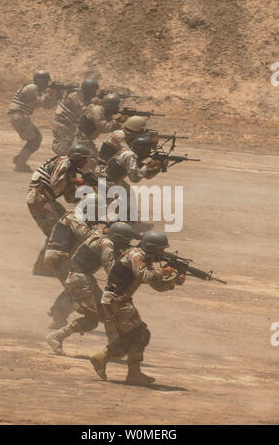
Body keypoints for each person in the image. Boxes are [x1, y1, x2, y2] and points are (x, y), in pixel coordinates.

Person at [90, 231, 185, 386]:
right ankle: (117, 365)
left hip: (118, 300)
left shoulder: (143, 259)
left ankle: (107, 360)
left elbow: (157, 286)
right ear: (151, 247)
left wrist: (174, 281)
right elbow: (145, 276)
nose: (163, 253)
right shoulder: (136, 255)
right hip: (117, 300)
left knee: (134, 336)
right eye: (161, 249)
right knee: (140, 334)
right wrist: (165, 271)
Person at [46, 222, 140, 354]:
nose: (128, 242)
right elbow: (111, 268)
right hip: (80, 279)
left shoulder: (101, 237)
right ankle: (56, 336)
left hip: (83, 278)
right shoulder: (107, 244)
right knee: (91, 320)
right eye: (127, 240)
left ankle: (114, 347)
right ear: (119, 239)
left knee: (107, 313)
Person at [26, 144, 92, 275]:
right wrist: (76, 181)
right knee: (57, 232)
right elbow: (56, 185)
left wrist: (88, 192)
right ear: (76, 157)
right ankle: (43, 268)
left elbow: (70, 198)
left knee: (65, 228)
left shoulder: (70, 169)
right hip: (40, 199)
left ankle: (47, 266)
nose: (86, 162)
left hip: (46, 200)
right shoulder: (64, 163)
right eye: (84, 158)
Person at [8, 71, 59, 172]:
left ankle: (19, 160)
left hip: (19, 116)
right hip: (19, 116)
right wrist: (51, 93)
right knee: (35, 140)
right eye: (46, 82)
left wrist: (54, 96)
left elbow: (48, 106)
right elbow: (43, 103)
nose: (46, 84)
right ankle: (20, 163)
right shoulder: (33, 88)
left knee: (36, 138)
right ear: (40, 81)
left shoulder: (32, 87)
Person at [52, 78, 100, 156]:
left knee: (67, 149)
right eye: (93, 91)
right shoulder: (75, 96)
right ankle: (53, 166)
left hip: (67, 124)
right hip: (62, 124)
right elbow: (84, 112)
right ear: (89, 90)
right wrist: (96, 103)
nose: (94, 93)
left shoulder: (81, 95)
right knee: (62, 150)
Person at [77, 93, 124, 160]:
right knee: (91, 160)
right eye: (115, 106)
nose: (118, 108)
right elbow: (103, 128)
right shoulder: (97, 111)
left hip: (86, 139)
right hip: (81, 138)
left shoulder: (105, 112)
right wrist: (117, 121)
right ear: (110, 106)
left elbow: (111, 124)